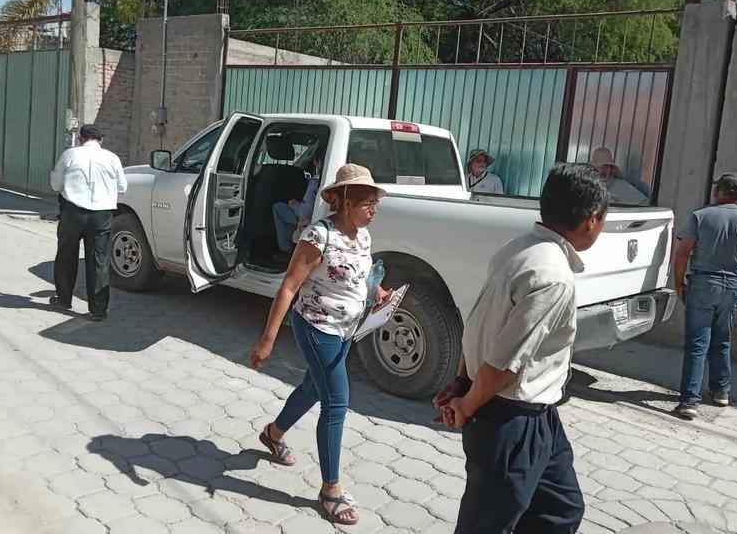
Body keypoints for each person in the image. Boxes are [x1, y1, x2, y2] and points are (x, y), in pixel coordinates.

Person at [434, 162, 610, 534]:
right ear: (592, 220)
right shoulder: (553, 277)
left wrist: (463, 381)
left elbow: (479, 320)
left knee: (560, 508)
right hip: (508, 417)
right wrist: (466, 404)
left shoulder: (520, 248)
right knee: (488, 522)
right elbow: (504, 362)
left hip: (539, 415)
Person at [249, 164, 391, 526]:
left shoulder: (362, 236)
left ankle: (273, 433)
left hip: (347, 329)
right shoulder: (318, 236)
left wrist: (378, 292)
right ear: (343, 202)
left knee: (313, 387)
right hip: (317, 327)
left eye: (375, 203)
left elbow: (362, 275)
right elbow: (289, 287)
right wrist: (267, 340)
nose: (373, 209)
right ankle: (330, 490)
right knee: (337, 402)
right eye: (367, 203)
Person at [673, 173, 737, 418]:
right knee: (722, 340)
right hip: (733, 287)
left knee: (697, 344)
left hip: (703, 284)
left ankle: (690, 401)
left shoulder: (700, 216)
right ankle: (721, 391)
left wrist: (679, 282)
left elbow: (682, 254)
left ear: (717, 192)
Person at [49, 124, 127, 321]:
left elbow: (55, 184)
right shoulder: (112, 158)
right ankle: (98, 309)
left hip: (72, 213)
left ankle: (64, 299)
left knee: (66, 256)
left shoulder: (70, 155)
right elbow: (122, 187)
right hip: (102, 216)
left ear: (80, 138)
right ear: (101, 140)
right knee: (99, 261)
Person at [271, 156, 323, 262]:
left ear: (317, 164)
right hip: (315, 218)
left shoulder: (315, 182)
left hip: (308, 219)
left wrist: (295, 206)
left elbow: (304, 212)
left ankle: (285, 250)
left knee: (277, 207)